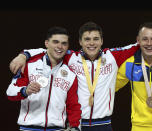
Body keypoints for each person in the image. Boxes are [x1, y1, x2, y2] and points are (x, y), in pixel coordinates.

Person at [9, 21, 143, 131]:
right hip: (77, 124)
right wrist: (24, 55)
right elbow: (49, 50)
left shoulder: (112, 56)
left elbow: (139, 45)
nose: (92, 43)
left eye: (96, 39)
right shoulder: (72, 57)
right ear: (80, 41)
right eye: (87, 39)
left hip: (104, 124)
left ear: (102, 41)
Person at [7, 26, 81, 131]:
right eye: (55, 42)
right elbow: (10, 92)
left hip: (56, 129)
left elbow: (73, 105)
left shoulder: (71, 75)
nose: (60, 46)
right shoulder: (29, 66)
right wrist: (25, 91)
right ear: (47, 43)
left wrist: (75, 127)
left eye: (64, 43)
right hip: (29, 128)